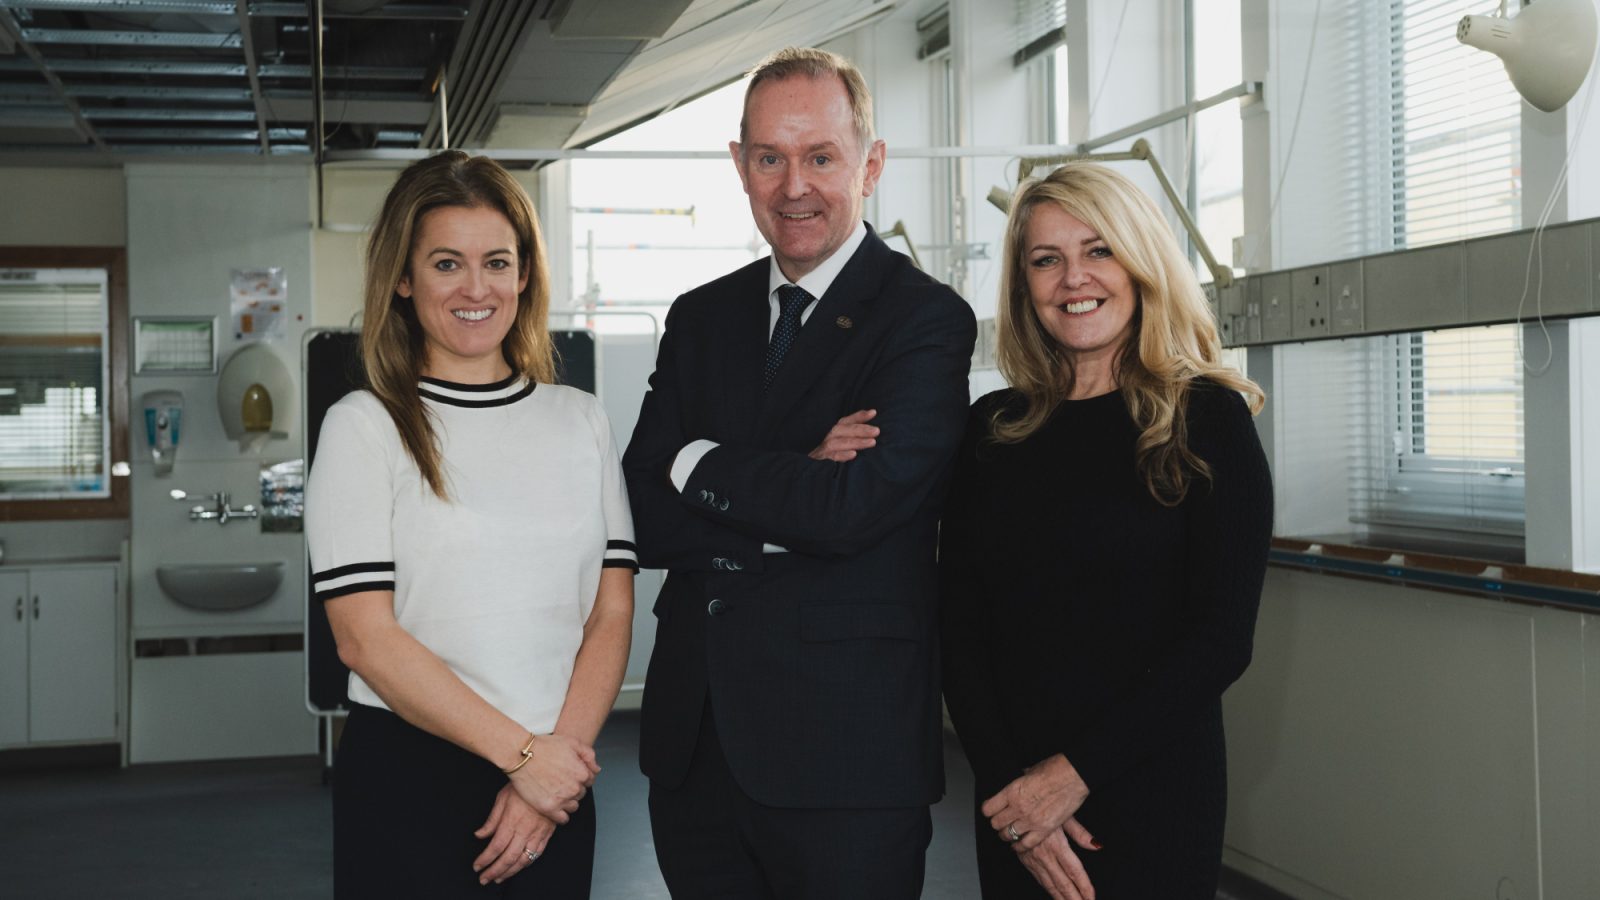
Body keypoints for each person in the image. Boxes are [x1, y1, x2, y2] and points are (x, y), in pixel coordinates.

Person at [622, 47, 977, 898]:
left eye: (821, 156)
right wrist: (795, 480)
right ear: (739, 166)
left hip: (844, 762)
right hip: (698, 750)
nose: (794, 187)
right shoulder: (701, 318)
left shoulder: (925, 321)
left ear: (872, 163)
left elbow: (852, 511)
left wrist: (698, 461)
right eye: (770, 158)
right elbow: (638, 505)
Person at [305, 150, 637, 899]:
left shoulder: (580, 421)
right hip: (410, 776)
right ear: (403, 277)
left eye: (497, 262)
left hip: (557, 777)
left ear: (525, 274)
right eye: (447, 263)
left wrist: (552, 766)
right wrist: (524, 758)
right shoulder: (364, 426)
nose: (476, 288)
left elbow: (610, 613)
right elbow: (364, 637)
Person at [939, 162, 1273, 900]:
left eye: (1099, 250)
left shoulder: (1206, 419)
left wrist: (1069, 778)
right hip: (1014, 801)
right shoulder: (992, 429)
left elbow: (1221, 638)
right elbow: (960, 630)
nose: (1072, 279)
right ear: (1023, 284)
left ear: (1141, 262)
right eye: (1045, 260)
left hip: (1153, 789)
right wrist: (1014, 796)